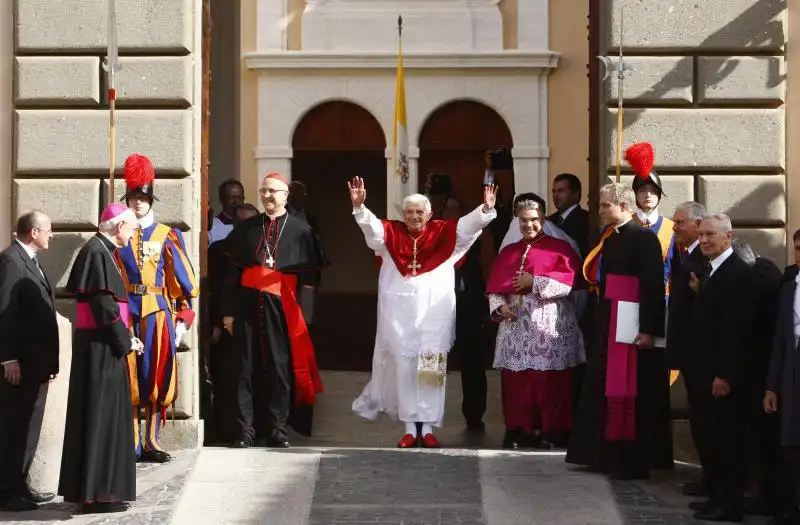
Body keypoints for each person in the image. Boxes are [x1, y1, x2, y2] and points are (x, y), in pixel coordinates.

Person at [349, 176, 497, 448]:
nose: (414, 216)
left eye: (419, 212)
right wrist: (360, 208)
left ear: (429, 214)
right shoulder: (391, 234)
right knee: (405, 368)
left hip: (433, 316)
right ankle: (409, 428)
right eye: (409, 212)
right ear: (403, 215)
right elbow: (373, 230)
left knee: (431, 368)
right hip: (400, 317)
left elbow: (468, 226)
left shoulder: (444, 233)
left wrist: (485, 210)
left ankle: (427, 428)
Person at [566, 182, 669, 480]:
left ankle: (632, 461)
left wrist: (650, 329)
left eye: (604, 205)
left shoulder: (644, 239)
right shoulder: (610, 238)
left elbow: (651, 287)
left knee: (631, 391)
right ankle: (605, 456)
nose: (599, 210)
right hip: (610, 318)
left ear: (623, 206)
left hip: (632, 323)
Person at [221, 173, 327, 449]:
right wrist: (228, 313)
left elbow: (310, 280)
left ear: (285, 195)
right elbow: (233, 274)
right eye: (264, 191)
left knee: (280, 369)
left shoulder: (301, 230)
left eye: (274, 191)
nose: (268, 196)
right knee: (245, 369)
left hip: (284, 309)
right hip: (246, 307)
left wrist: (307, 317)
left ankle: (278, 428)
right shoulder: (246, 229)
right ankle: (245, 429)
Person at [58, 204, 141, 514]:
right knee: (101, 418)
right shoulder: (96, 251)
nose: (132, 235)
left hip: (102, 347)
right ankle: (98, 495)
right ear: (118, 226)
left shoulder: (101, 251)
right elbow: (105, 307)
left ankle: (96, 492)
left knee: (101, 417)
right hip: (101, 351)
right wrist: (125, 342)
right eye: (131, 228)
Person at [117, 153, 199, 462]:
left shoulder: (168, 235)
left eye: (143, 197)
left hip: (157, 312)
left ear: (151, 200)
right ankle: (130, 442)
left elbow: (186, 285)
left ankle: (151, 440)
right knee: (129, 376)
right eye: (133, 197)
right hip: (126, 311)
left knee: (155, 375)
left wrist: (182, 321)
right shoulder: (118, 235)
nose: (138, 203)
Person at [486, 194, 584, 449]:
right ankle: (520, 429)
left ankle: (553, 430)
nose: (528, 225)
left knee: (549, 382)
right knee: (518, 381)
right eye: (523, 221)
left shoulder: (559, 249)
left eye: (534, 220)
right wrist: (500, 307)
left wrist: (535, 282)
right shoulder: (509, 251)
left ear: (542, 219)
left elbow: (570, 283)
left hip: (548, 324)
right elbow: (496, 288)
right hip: (516, 326)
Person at [684, 214, 754, 522]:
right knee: (710, 439)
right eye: (700, 235)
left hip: (721, 377)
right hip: (704, 374)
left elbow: (736, 331)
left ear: (729, 237)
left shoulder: (737, 273)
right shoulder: (711, 270)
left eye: (710, 234)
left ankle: (729, 504)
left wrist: (725, 375)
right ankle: (716, 497)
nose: (704, 240)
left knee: (725, 442)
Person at [0, 211, 58, 511]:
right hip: (18, 365)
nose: (52, 235)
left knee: (29, 428)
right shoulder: (10, 261)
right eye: (48, 230)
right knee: (14, 427)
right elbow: (5, 312)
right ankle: (7, 491)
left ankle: (20, 485)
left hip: (36, 363)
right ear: (33, 232)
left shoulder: (32, 260)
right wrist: (7, 357)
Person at [206, 202, 260, 445]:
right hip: (229, 323)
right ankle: (232, 431)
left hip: (259, 322)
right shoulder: (219, 251)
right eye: (242, 224)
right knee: (229, 379)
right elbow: (216, 288)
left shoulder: (265, 250)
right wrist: (218, 321)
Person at [666, 201, 710, 498]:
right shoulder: (687, 255)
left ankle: (713, 481)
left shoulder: (701, 261)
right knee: (699, 418)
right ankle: (708, 478)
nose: (676, 227)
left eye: (680, 222)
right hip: (689, 353)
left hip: (701, 355)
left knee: (707, 421)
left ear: (697, 225)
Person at [765, 228, 800, 525]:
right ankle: (790, 509)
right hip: (790, 375)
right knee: (789, 445)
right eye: (798, 248)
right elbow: (779, 340)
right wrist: (771, 387)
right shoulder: (790, 286)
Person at [625, 142, 677, 297]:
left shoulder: (672, 229)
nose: (648, 195)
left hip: (663, 299)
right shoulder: (625, 225)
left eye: (653, 191)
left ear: (659, 195)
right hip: (629, 298)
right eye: (642, 190)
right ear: (635, 194)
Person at [548, 173, 589, 257]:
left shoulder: (586, 219)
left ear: (575, 194)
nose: (555, 196)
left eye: (561, 191)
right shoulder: (550, 220)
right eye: (554, 191)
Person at [208, 180, 245, 245]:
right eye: (230, 198)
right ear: (221, 199)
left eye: (239, 197)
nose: (235, 202)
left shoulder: (251, 225)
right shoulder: (211, 226)